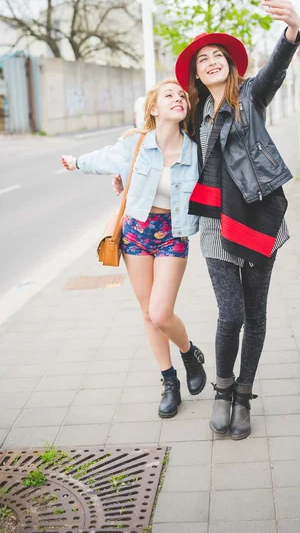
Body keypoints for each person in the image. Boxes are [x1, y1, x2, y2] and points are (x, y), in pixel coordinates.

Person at [173, 0, 300, 440]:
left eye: (217, 56)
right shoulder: (193, 115)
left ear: (230, 64)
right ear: (196, 74)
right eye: (202, 60)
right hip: (214, 226)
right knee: (231, 314)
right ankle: (223, 388)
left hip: (258, 214)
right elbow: (167, 152)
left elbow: (275, 70)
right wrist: (126, 179)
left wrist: (291, 30)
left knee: (257, 313)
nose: (210, 62)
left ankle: (244, 396)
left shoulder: (250, 95)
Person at [61, 78, 206, 419]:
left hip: (174, 232)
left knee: (160, 312)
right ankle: (170, 382)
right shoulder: (135, 143)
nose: (178, 98)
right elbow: (106, 159)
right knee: (146, 313)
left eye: (182, 95)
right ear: (154, 109)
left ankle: (189, 353)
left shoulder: (195, 149)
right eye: (168, 95)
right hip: (137, 231)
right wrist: (76, 161)